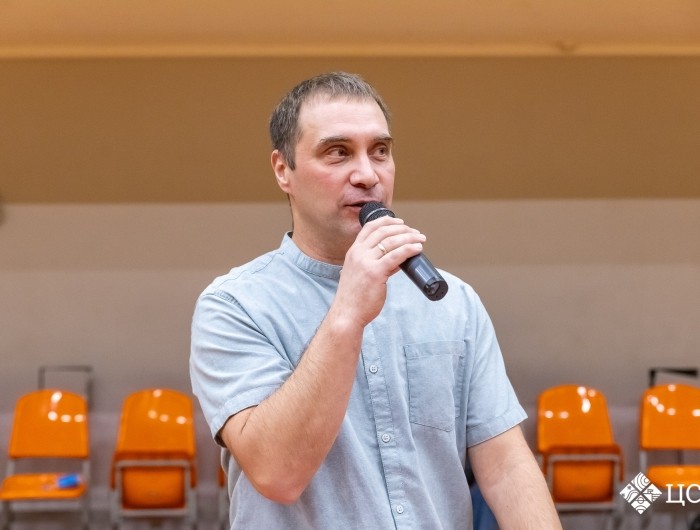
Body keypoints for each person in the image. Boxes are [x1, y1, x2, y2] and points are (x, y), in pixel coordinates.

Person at [190, 71, 561, 529]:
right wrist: (347, 311)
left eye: (380, 151)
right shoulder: (235, 306)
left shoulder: (454, 303)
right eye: (337, 152)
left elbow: (505, 468)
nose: (367, 175)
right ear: (283, 170)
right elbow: (277, 473)